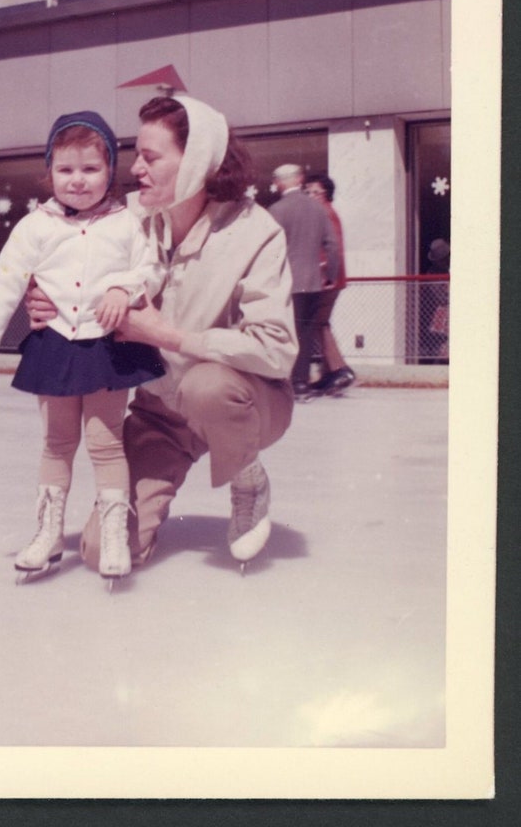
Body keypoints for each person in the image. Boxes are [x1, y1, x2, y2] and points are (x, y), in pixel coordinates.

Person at [28, 94, 298, 574]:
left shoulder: (257, 232)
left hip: (244, 399)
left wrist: (169, 336)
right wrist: (42, 298)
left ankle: (247, 474)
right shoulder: (121, 217)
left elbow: (277, 350)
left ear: (195, 162)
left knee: (206, 386)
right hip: (160, 414)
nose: (135, 170)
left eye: (151, 158)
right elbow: (52, 247)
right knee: (99, 551)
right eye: (137, 156)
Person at [0, 111, 165, 583]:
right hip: (56, 343)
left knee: (105, 444)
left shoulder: (129, 222)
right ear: (49, 172)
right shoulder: (35, 225)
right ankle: (48, 532)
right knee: (57, 442)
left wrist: (123, 289)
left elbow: (151, 268)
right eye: (66, 170)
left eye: (90, 169)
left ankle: (113, 534)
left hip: (107, 347)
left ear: (111, 170)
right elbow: (6, 281)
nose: (78, 181)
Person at [269, 164, 340, 400]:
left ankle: (287, 382)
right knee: (307, 332)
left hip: (287, 282)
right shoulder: (318, 209)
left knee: (287, 333)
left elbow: (268, 249)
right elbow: (331, 244)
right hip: (313, 282)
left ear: (279, 183)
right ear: (299, 180)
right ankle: (301, 382)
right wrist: (331, 273)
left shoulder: (276, 211)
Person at [304, 172, 356, 395]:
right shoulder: (325, 212)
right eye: (308, 192)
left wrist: (325, 271)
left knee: (318, 323)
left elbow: (332, 246)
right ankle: (329, 374)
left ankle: (340, 370)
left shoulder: (325, 213)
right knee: (319, 322)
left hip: (327, 279)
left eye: (316, 192)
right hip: (330, 278)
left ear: (326, 194)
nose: (311, 196)